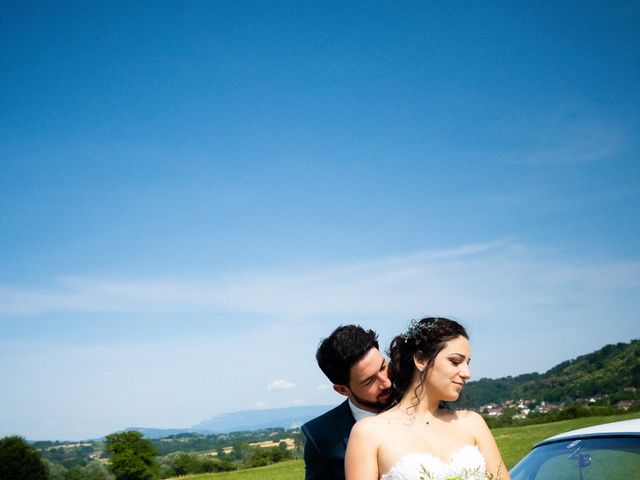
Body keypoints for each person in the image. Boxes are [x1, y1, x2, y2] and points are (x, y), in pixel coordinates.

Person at [345, 317, 509, 480]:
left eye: (467, 363)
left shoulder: (473, 423)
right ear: (421, 360)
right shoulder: (368, 433)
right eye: (455, 361)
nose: (467, 373)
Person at [302, 325, 394, 480]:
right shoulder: (320, 436)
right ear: (341, 390)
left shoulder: (422, 401)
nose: (386, 383)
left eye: (383, 367)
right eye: (369, 381)